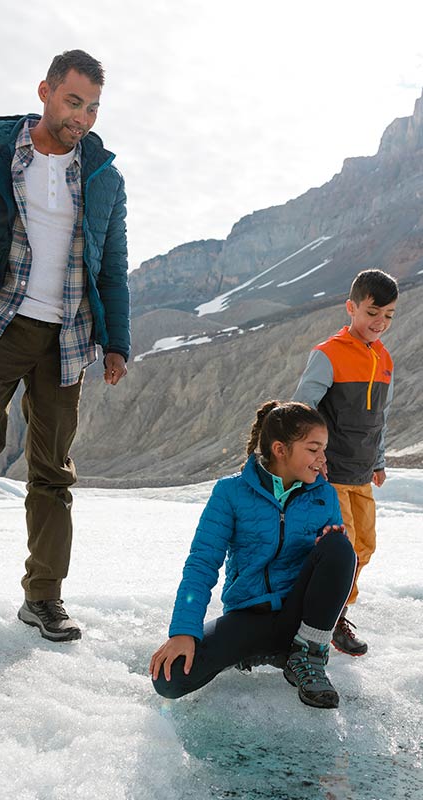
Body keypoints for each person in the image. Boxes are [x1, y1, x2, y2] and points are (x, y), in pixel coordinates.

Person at [0, 50, 130, 641]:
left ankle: (43, 598)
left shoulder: (104, 175)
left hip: (67, 339)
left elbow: (112, 263)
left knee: (53, 473)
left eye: (91, 107)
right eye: (72, 101)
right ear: (45, 90)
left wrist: (117, 342)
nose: (81, 117)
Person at [150, 401, 357, 709]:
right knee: (170, 679)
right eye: (313, 449)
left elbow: (333, 566)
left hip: (299, 618)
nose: (322, 459)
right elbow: (202, 564)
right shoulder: (230, 493)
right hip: (248, 617)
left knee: (340, 546)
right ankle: (259, 653)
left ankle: (308, 656)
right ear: (280, 449)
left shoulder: (323, 494)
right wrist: (183, 631)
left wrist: (328, 542)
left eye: (323, 450)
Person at [293, 269, 397, 657]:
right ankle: (328, 617)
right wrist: (309, 458)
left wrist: (380, 459)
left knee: (365, 547)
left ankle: (337, 608)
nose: (380, 323)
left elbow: (379, 419)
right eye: (373, 312)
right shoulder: (328, 354)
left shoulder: (384, 359)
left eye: (388, 315)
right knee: (345, 548)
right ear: (351, 307)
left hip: (362, 473)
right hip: (330, 472)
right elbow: (304, 410)